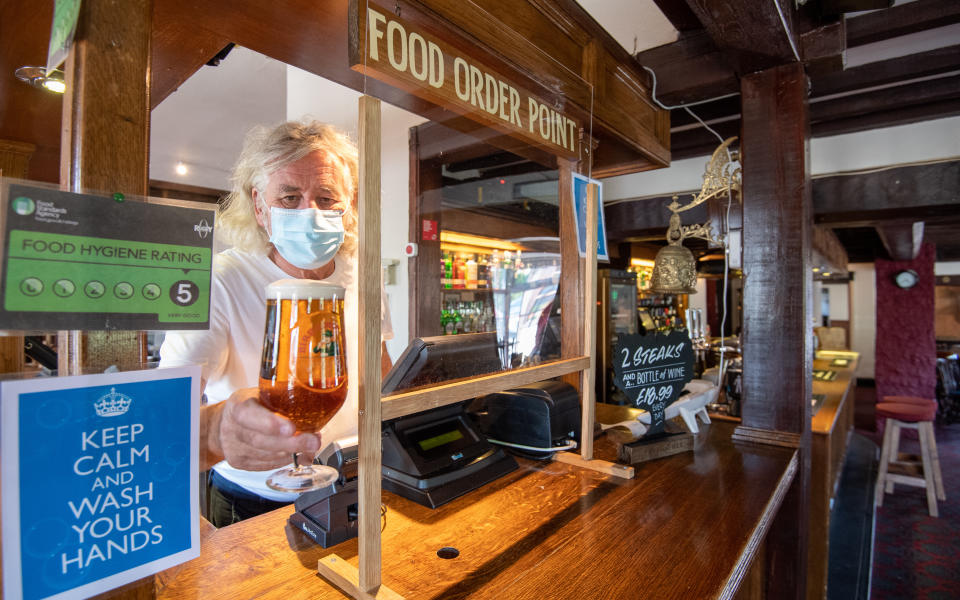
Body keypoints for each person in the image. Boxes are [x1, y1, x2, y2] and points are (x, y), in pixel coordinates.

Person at [160, 120, 393, 527]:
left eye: (326, 197)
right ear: (259, 206)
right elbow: (163, 413)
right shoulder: (218, 280)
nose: (310, 212)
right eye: (289, 197)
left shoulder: (363, 275)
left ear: (349, 205)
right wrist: (217, 432)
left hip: (347, 484)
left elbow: (381, 376)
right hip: (251, 497)